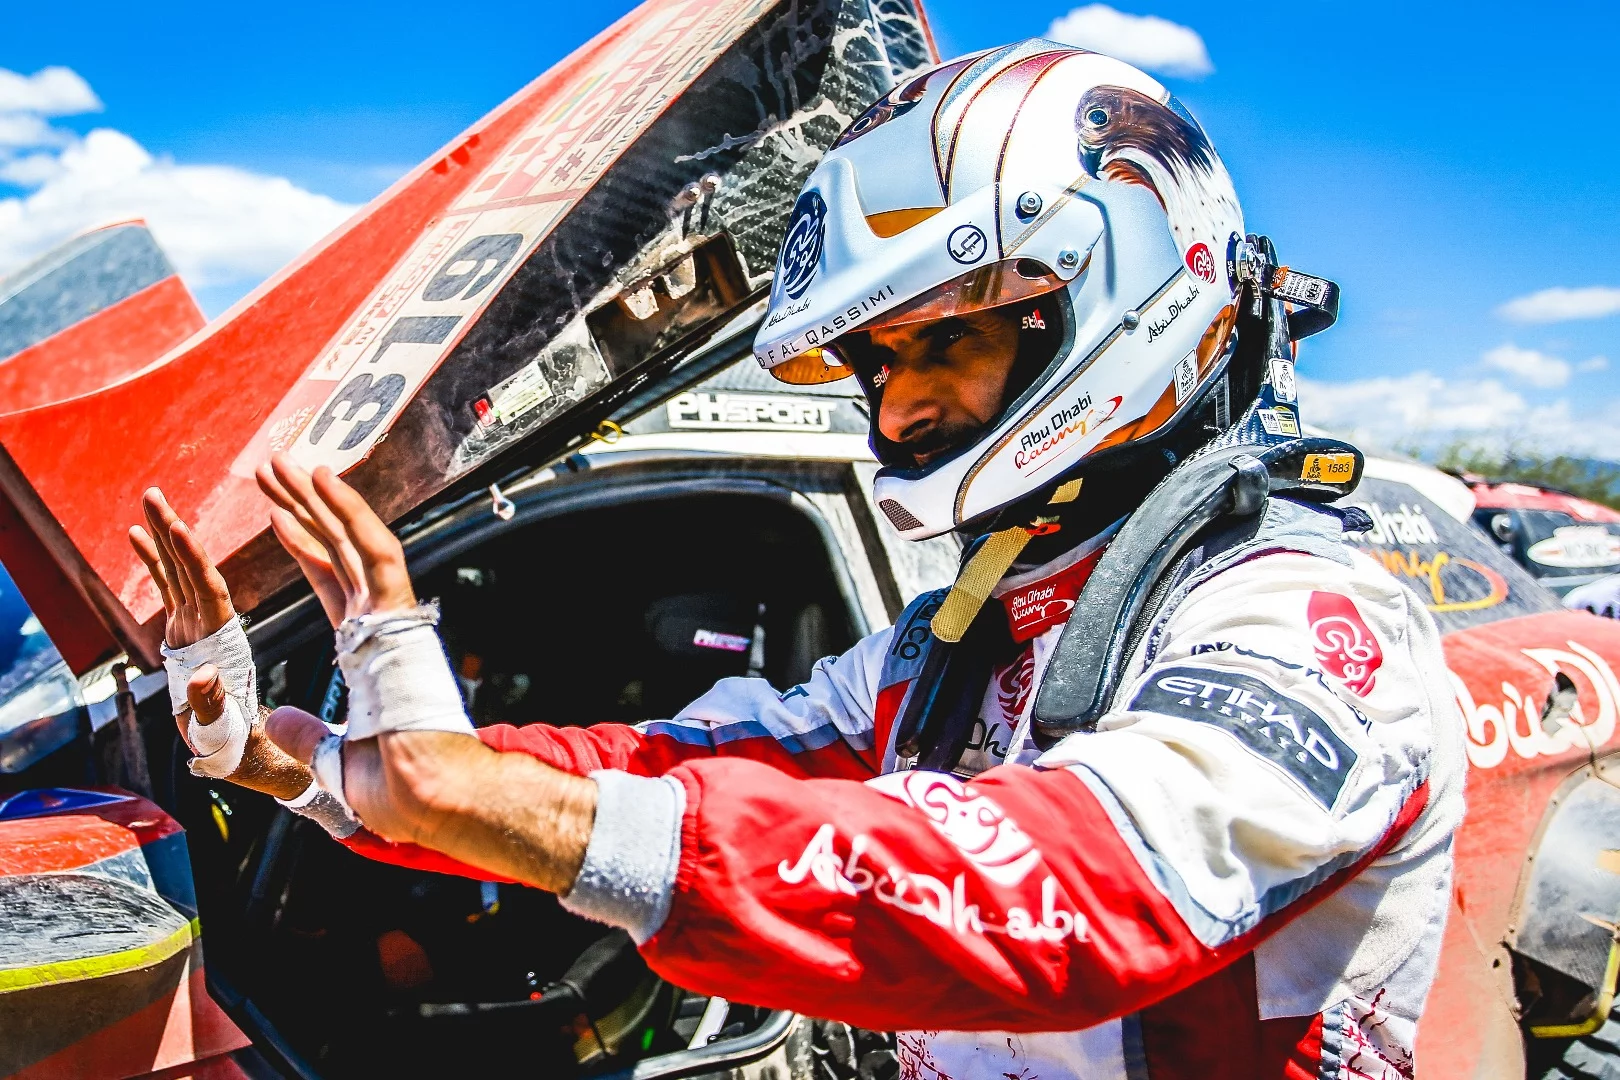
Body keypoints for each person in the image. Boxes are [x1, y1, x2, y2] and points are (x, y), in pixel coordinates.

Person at [133, 42, 1463, 1079]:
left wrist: (507, 808)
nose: (902, 409)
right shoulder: (964, 638)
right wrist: (311, 765)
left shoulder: (1311, 619)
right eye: (877, 363)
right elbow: (666, 766)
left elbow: (1074, 889)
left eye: (946, 338)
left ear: (1115, 280)